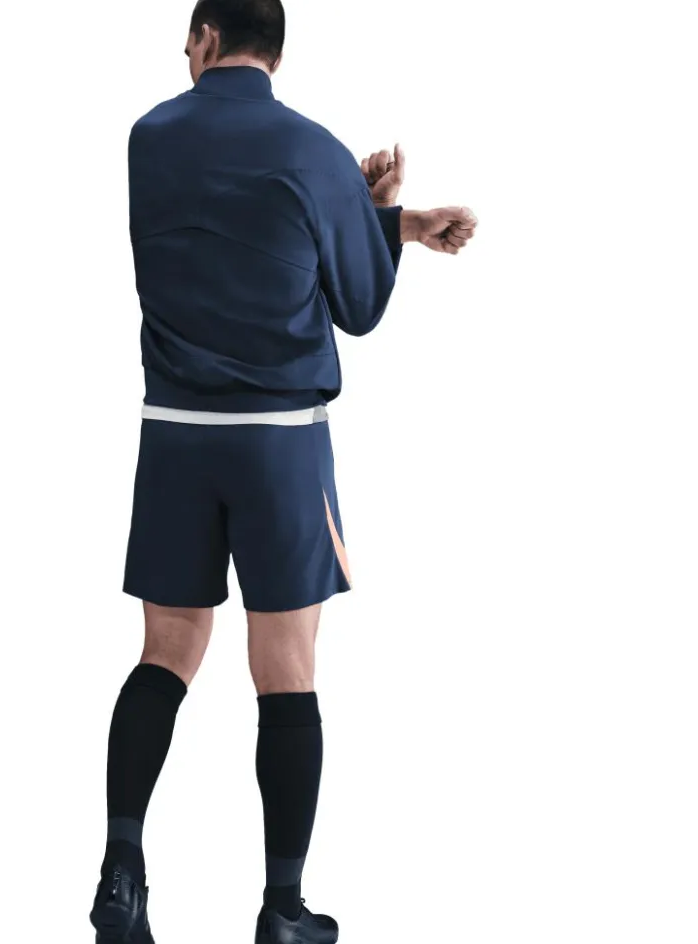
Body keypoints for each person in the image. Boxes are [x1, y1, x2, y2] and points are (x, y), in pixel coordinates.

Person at [90, 2, 477, 941]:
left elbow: (236, 221)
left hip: (174, 434)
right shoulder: (315, 151)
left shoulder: (148, 138)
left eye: (186, 42)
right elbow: (358, 303)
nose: (183, 56)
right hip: (278, 442)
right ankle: (282, 909)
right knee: (286, 670)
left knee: (165, 653)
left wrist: (382, 216)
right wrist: (377, 215)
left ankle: (121, 876)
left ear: (209, 38)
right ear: (274, 48)